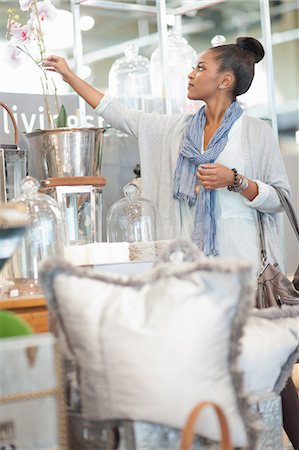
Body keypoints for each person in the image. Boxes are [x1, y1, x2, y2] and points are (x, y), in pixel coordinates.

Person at [44, 36, 299, 448]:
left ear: (225, 80)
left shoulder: (256, 134)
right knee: (204, 369)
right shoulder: (174, 130)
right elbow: (119, 113)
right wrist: (71, 75)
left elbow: (280, 199)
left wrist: (236, 181)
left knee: (272, 374)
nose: (191, 72)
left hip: (245, 277)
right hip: (191, 276)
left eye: (201, 67)